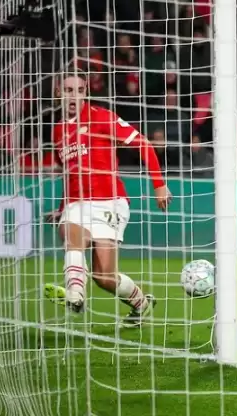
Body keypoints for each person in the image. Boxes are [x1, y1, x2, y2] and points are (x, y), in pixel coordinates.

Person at [43, 70, 172, 328]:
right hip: (76, 203)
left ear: (86, 93)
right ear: (58, 93)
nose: (74, 96)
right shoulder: (57, 131)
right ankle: (75, 294)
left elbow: (144, 144)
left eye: (79, 90)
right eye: (68, 90)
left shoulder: (102, 117)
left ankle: (141, 304)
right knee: (71, 234)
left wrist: (159, 185)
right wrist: (61, 208)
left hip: (110, 200)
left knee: (104, 277)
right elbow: (69, 174)